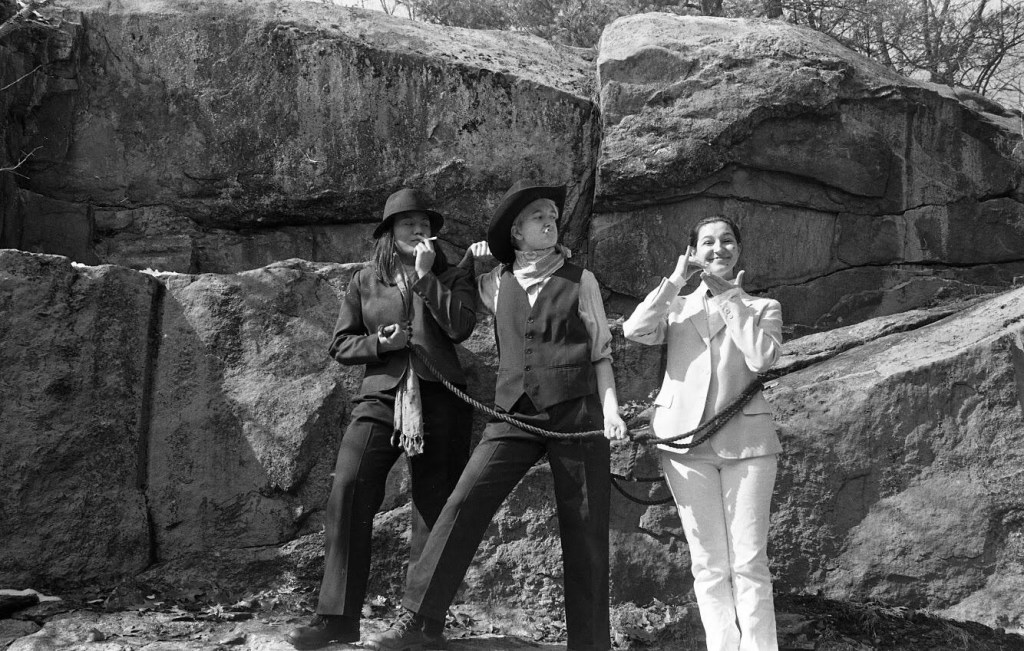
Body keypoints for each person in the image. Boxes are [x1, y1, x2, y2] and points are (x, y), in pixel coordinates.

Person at [366, 180, 627, 651]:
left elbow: (600, 354)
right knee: (462, 505)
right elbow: (456, 308)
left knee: (586, 531)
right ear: (517, 233)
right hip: (513, 413)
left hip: (577, 414)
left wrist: (612, 412)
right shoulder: (496, 282)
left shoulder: (581, 279)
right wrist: (464, 261)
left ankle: (590, 645)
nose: (550, 221)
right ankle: (419, 622)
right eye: (538, 216)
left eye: (553, 215)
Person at [288, 188, 477, 650]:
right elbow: (340, 344)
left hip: (441, 398)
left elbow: (460, 327)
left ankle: (423, 624)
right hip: (380, 398)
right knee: (348, 489)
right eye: (408, 223)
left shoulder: (452, 275)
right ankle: (337, 619)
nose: (418, 229)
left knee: (434, 509)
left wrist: (427, 277)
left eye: (424, 223)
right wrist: (380, 344)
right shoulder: (365, 280)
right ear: (389, 232)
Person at [622, 216, 783, 651]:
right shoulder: (676, 306)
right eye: (708, 242)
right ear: (693, 251)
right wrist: (677, 279)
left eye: (727, 241)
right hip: (684, 445)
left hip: (749, 445)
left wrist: (730, 298)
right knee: (708, 563)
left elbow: (761, 358)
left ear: (739, 250)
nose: (718, 248)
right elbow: (635, 330)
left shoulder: (763, 307)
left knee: (749, 561)